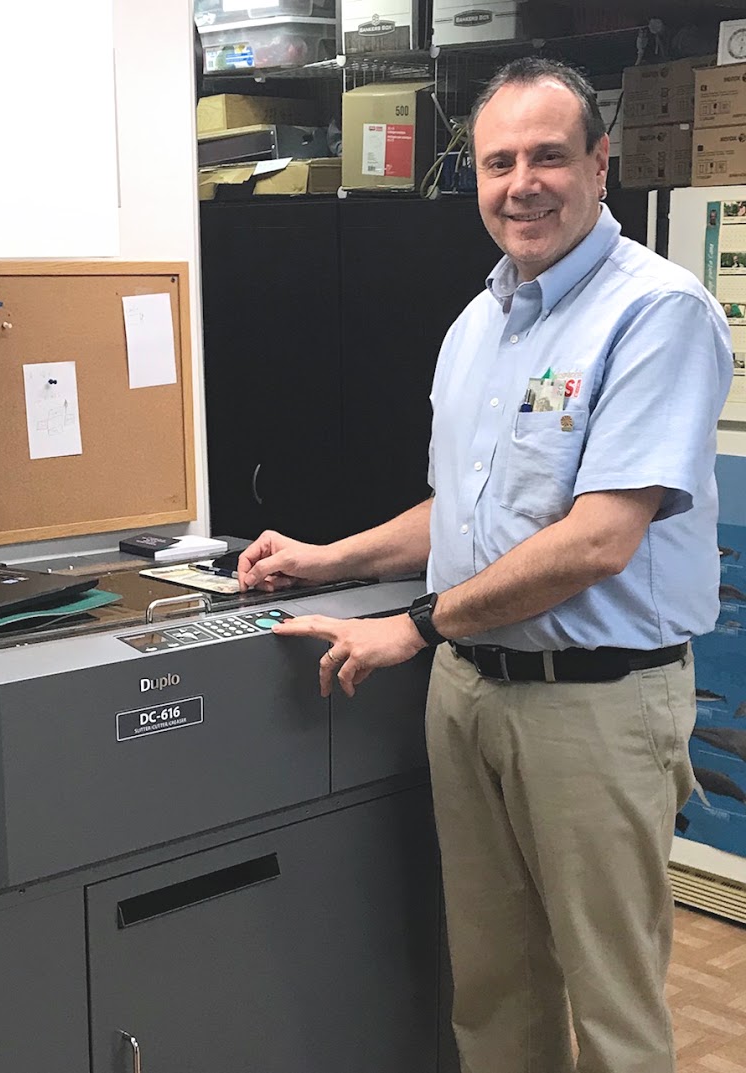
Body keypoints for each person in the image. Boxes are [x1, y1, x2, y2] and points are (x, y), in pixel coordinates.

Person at [237, 57, 732, 1073]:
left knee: (612, 1004)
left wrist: (412, 625)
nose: (522, 184)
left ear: (599, 163)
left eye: (548, 156)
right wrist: (327, 559)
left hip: (595, 704)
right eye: (499, 162)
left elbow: (599, 536)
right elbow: (459, 514)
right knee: (494, 984)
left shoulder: (656, 312)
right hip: (468, 694)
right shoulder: (478, 325)